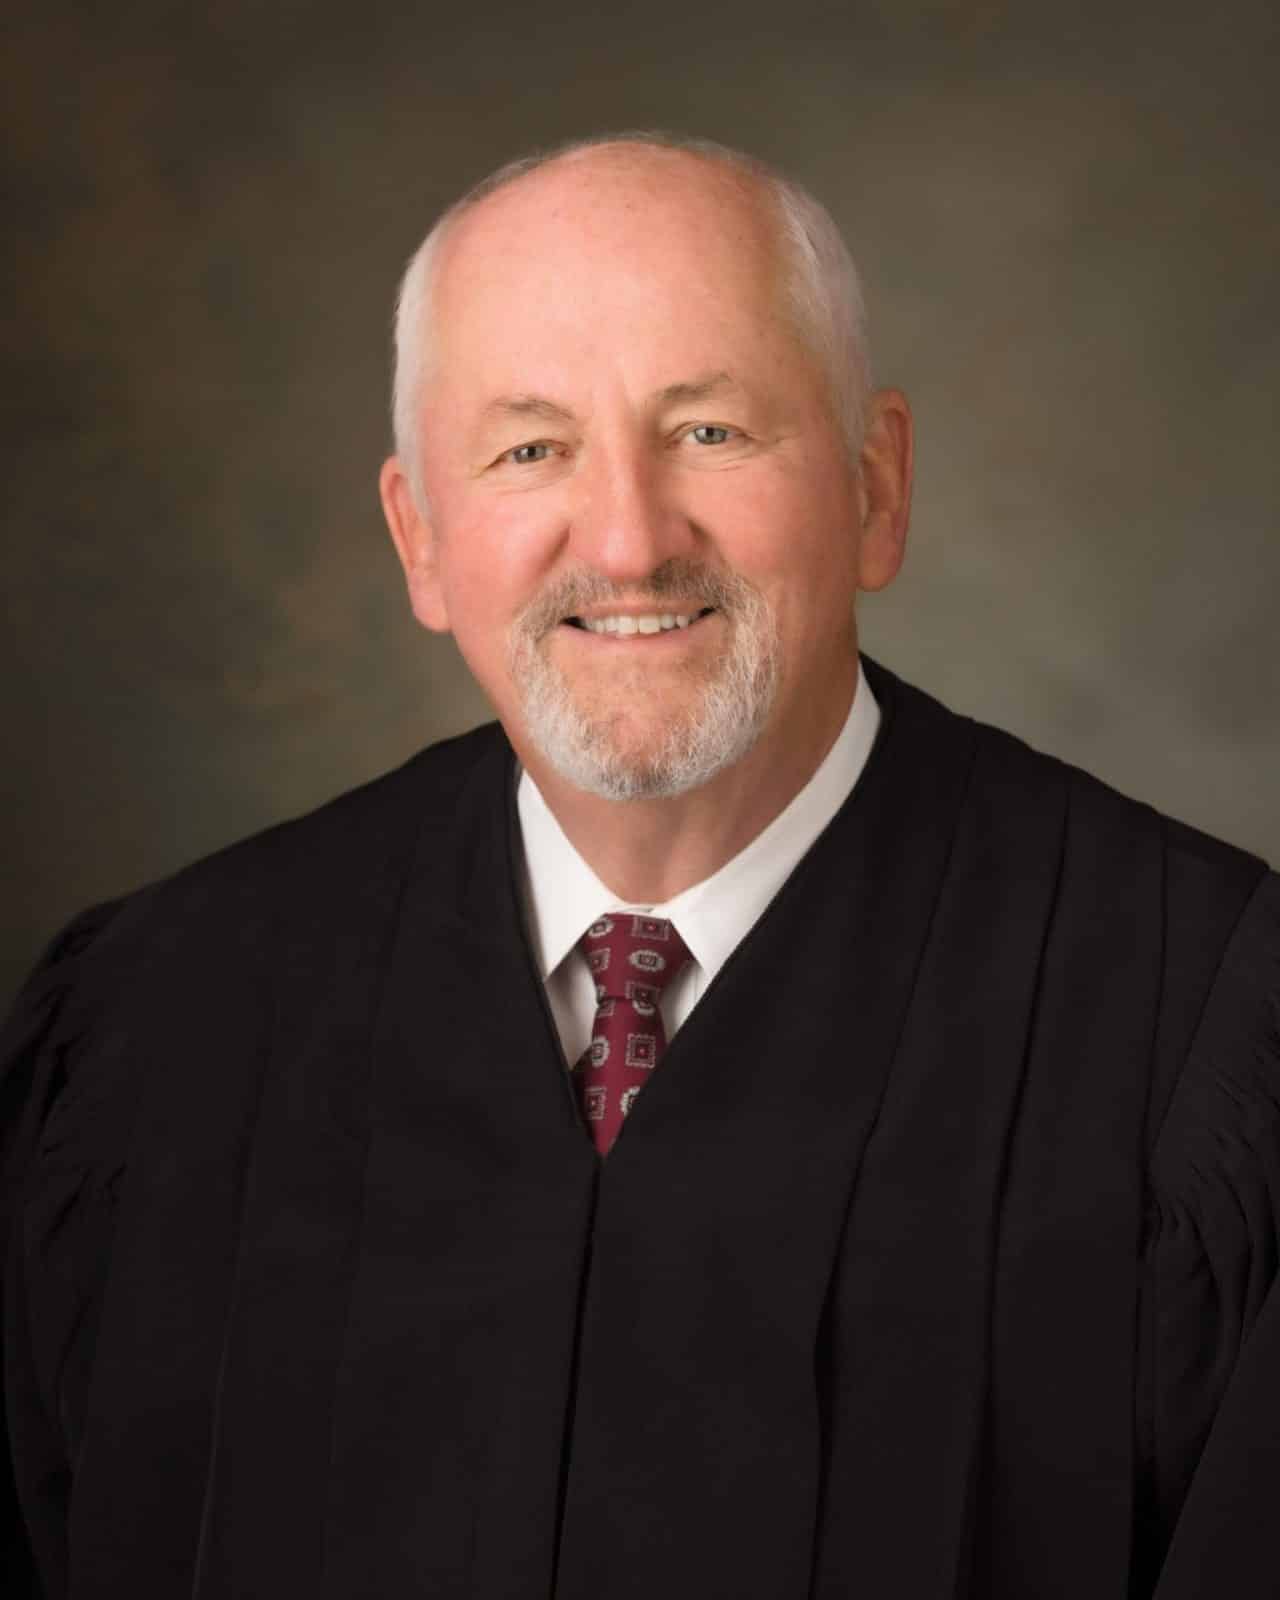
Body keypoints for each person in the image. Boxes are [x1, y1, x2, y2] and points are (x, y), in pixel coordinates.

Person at [2, 131, 1276, 1600]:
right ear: (421, 539)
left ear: (876, 489)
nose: (626, 540)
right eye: (531, 447)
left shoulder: (1205, 1035)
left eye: (712, 432)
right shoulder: (157, 1032)